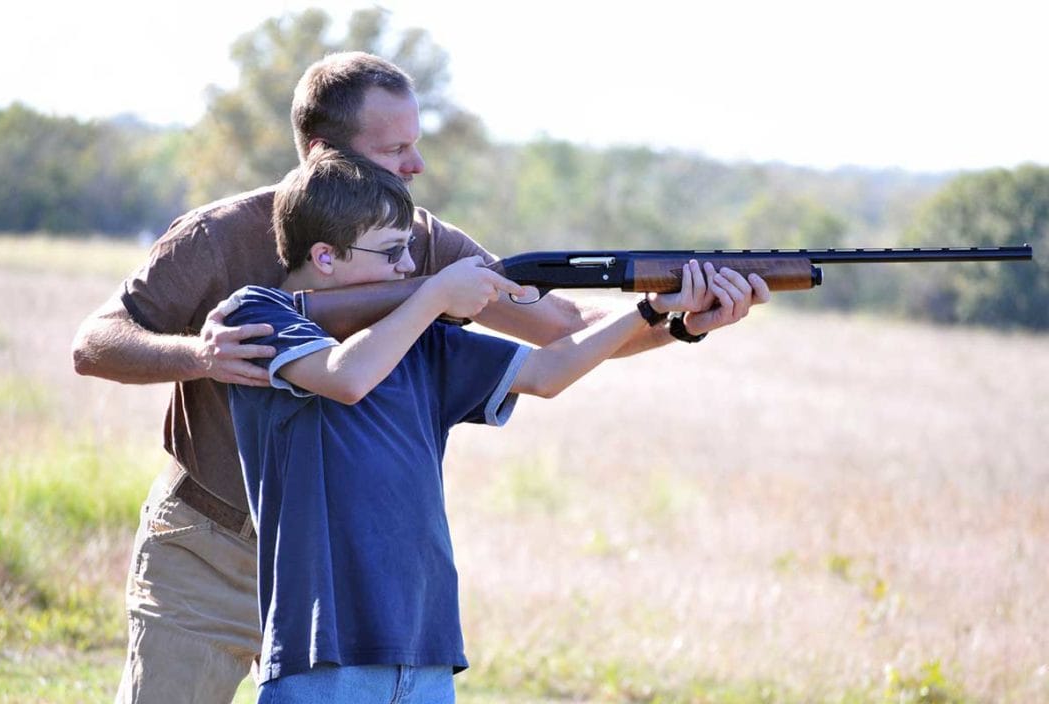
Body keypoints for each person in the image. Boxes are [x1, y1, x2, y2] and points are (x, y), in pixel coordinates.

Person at [71, 52, 770, 704]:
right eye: (395, 149)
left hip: (352, 583)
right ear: (323, 153)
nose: (418, 164)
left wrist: (678, 317)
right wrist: (202, 357)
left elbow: (560, 327)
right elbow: (96, 342)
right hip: (212, 545)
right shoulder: (219, 236)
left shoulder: (423, 243)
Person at [226, 146, 729, 702]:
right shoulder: (259, 314)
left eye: (412, 253)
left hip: (426, 651)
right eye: (392, 253)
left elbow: (547, 370)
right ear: (325, 257)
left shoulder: (421, 337)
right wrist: (436, 294)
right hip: (323, 656)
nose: (409, 268)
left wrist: (660, 316)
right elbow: (347, 377)